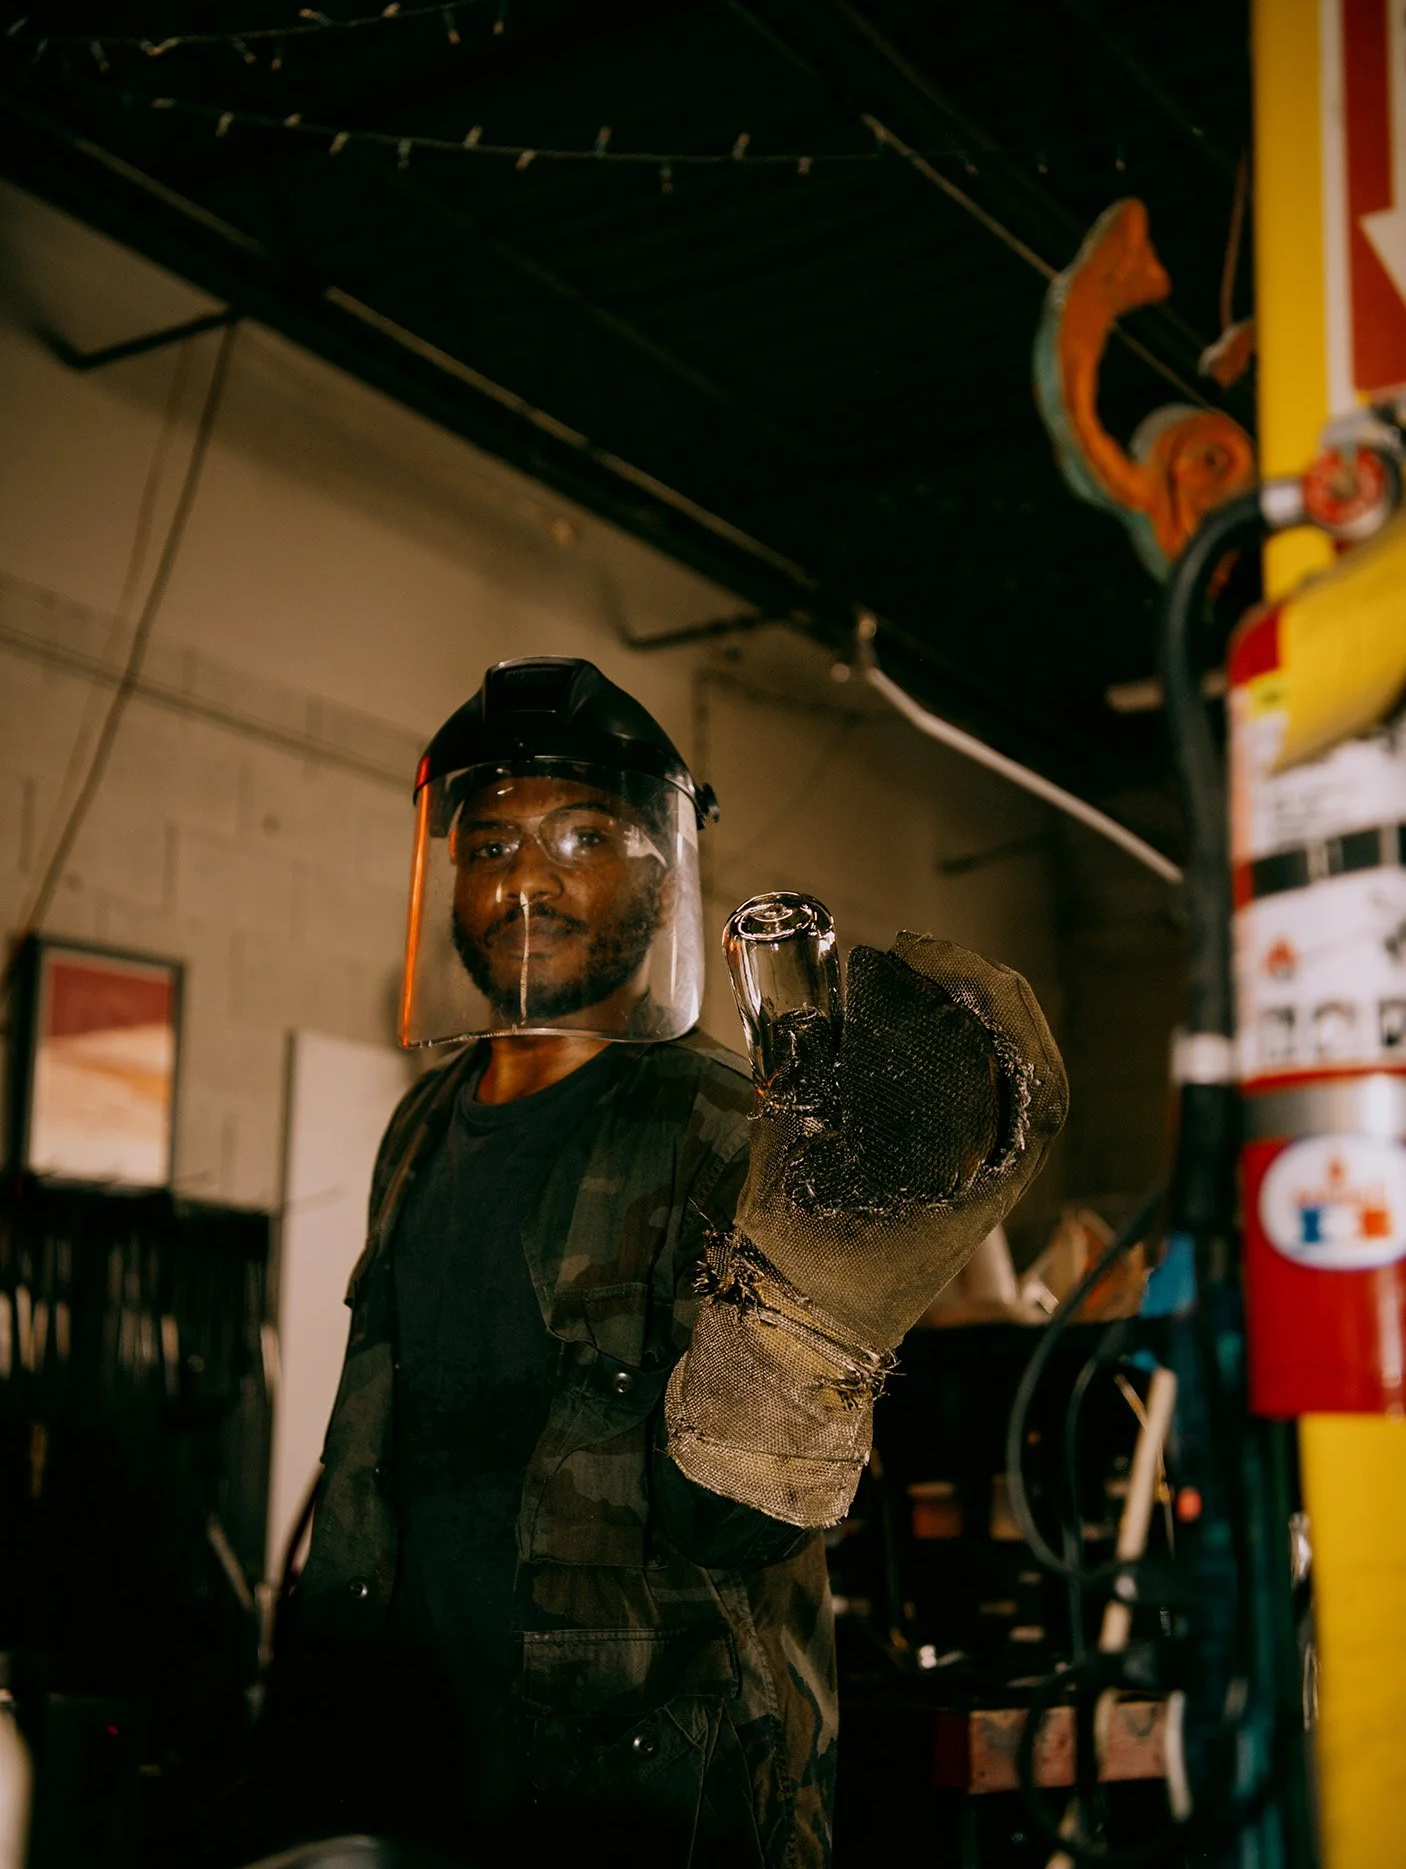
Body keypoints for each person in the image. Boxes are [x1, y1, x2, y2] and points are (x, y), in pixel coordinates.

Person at [266, 655, 1066, 1869]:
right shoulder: (418, 1127)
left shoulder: (726, 1126)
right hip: (417, 1775)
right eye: (489, 845)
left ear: (658, 878)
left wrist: (809, 1322)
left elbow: (735, 1530)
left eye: (582, 838)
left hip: (653, 1798)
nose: (526, 878)